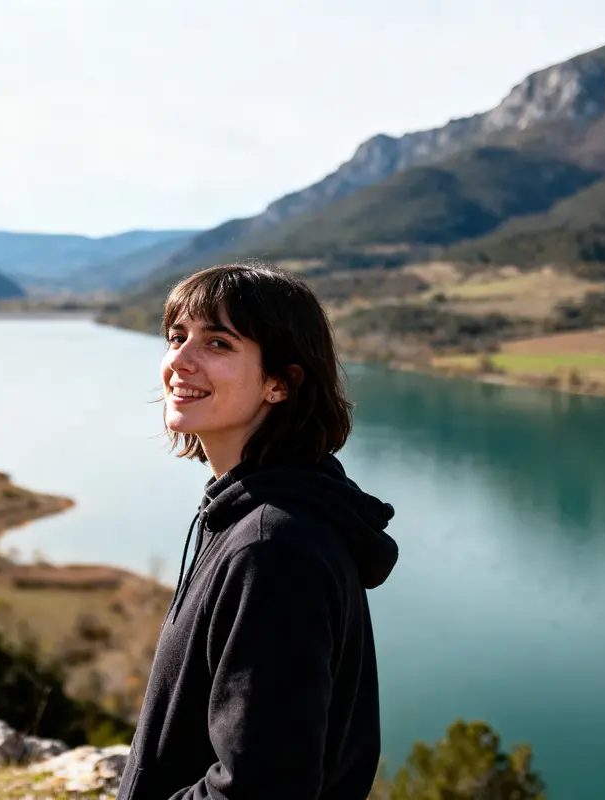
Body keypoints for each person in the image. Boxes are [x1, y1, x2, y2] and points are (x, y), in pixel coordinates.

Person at [116, 262, 399, 800]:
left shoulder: (272, 550)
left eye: (218, 344)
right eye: (177, 337)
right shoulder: (253, 515)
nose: (179, 361)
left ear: (279, 383)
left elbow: (260, 788)